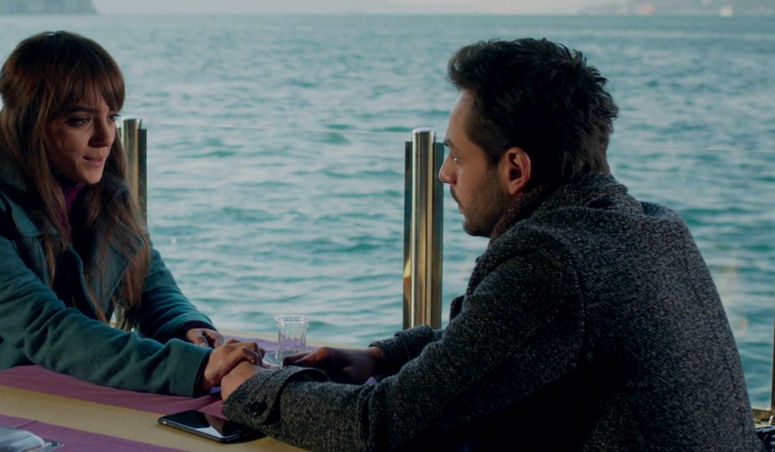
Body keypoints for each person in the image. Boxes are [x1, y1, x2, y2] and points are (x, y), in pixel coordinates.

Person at [219, 38, 760, 450]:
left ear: (515, 169)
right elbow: (494, 344)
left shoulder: (552, 263)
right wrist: (381, 357)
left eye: (456, 155)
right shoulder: (653, 228)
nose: (443, 174)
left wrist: (253, 389)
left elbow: (381, 425)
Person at [0, 31, 262, 396]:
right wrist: (193, 368)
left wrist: (191, 331)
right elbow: (45, 327)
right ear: (31, 123)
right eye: (80, 120)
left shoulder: (107, 198)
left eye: (112, 116)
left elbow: (154, 290)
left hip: (53, 396)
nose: (105, 137)